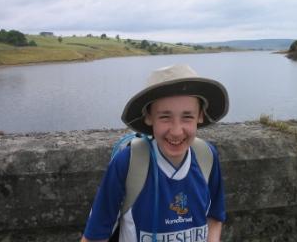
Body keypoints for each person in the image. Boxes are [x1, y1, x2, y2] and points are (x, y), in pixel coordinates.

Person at [81, 64, 229, 242]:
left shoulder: (206, 156)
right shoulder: (128, 163)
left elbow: (215, 216)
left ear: (200, 116)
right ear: (149, 117)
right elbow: (95, 236)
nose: (176, 131)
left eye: (187, 116)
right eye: (165, 117)